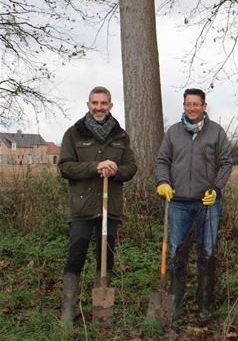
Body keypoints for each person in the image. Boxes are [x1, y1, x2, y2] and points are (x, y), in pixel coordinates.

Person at [58, 86, 137, 325]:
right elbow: (65, 166)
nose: (99, 107)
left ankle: (100, 310)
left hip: (109, 207)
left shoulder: (120, 136)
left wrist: (115, 170)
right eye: (95, 103)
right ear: (88, 105)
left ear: (110, 106)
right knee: (76, 255)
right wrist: (95, 166)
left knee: (106, 257)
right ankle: (68, 311)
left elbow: (131, 168)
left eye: (104, 103)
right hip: (82, 207)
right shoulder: (74, 134)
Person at [155, 88, 232, 320]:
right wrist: (163, 182)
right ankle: (175, 302)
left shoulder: (216, 132)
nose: (192, 108)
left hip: (207, 204)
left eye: (196, 104)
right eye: (188, 104)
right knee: (178, 254)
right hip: (178, 203)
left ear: (204, 106)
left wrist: (216, 189)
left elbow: (227, 163)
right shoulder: (173, 132)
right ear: (184, 106)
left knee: (206, 253)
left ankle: (204, 304)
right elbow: (162, 161)